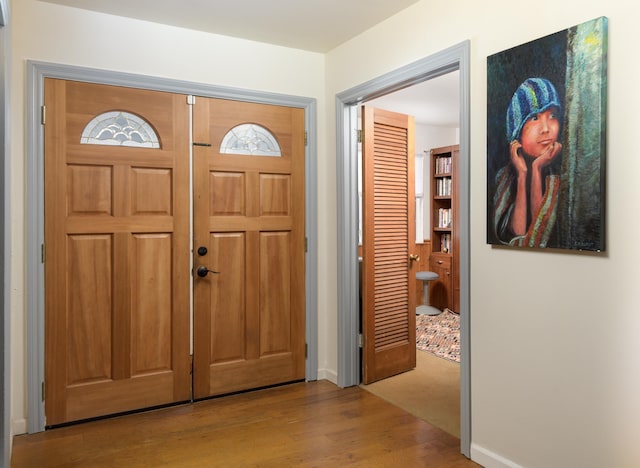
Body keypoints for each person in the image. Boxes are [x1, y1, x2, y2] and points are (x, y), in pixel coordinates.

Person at [493, 77, 563, 247]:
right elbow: (518, 234)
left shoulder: (564, 173)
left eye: (552, 116)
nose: (546, 128)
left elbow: (540, 234)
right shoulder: (505, 177)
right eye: (534, 118)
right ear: (518, 132)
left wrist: (537, 169)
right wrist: (523, 174)